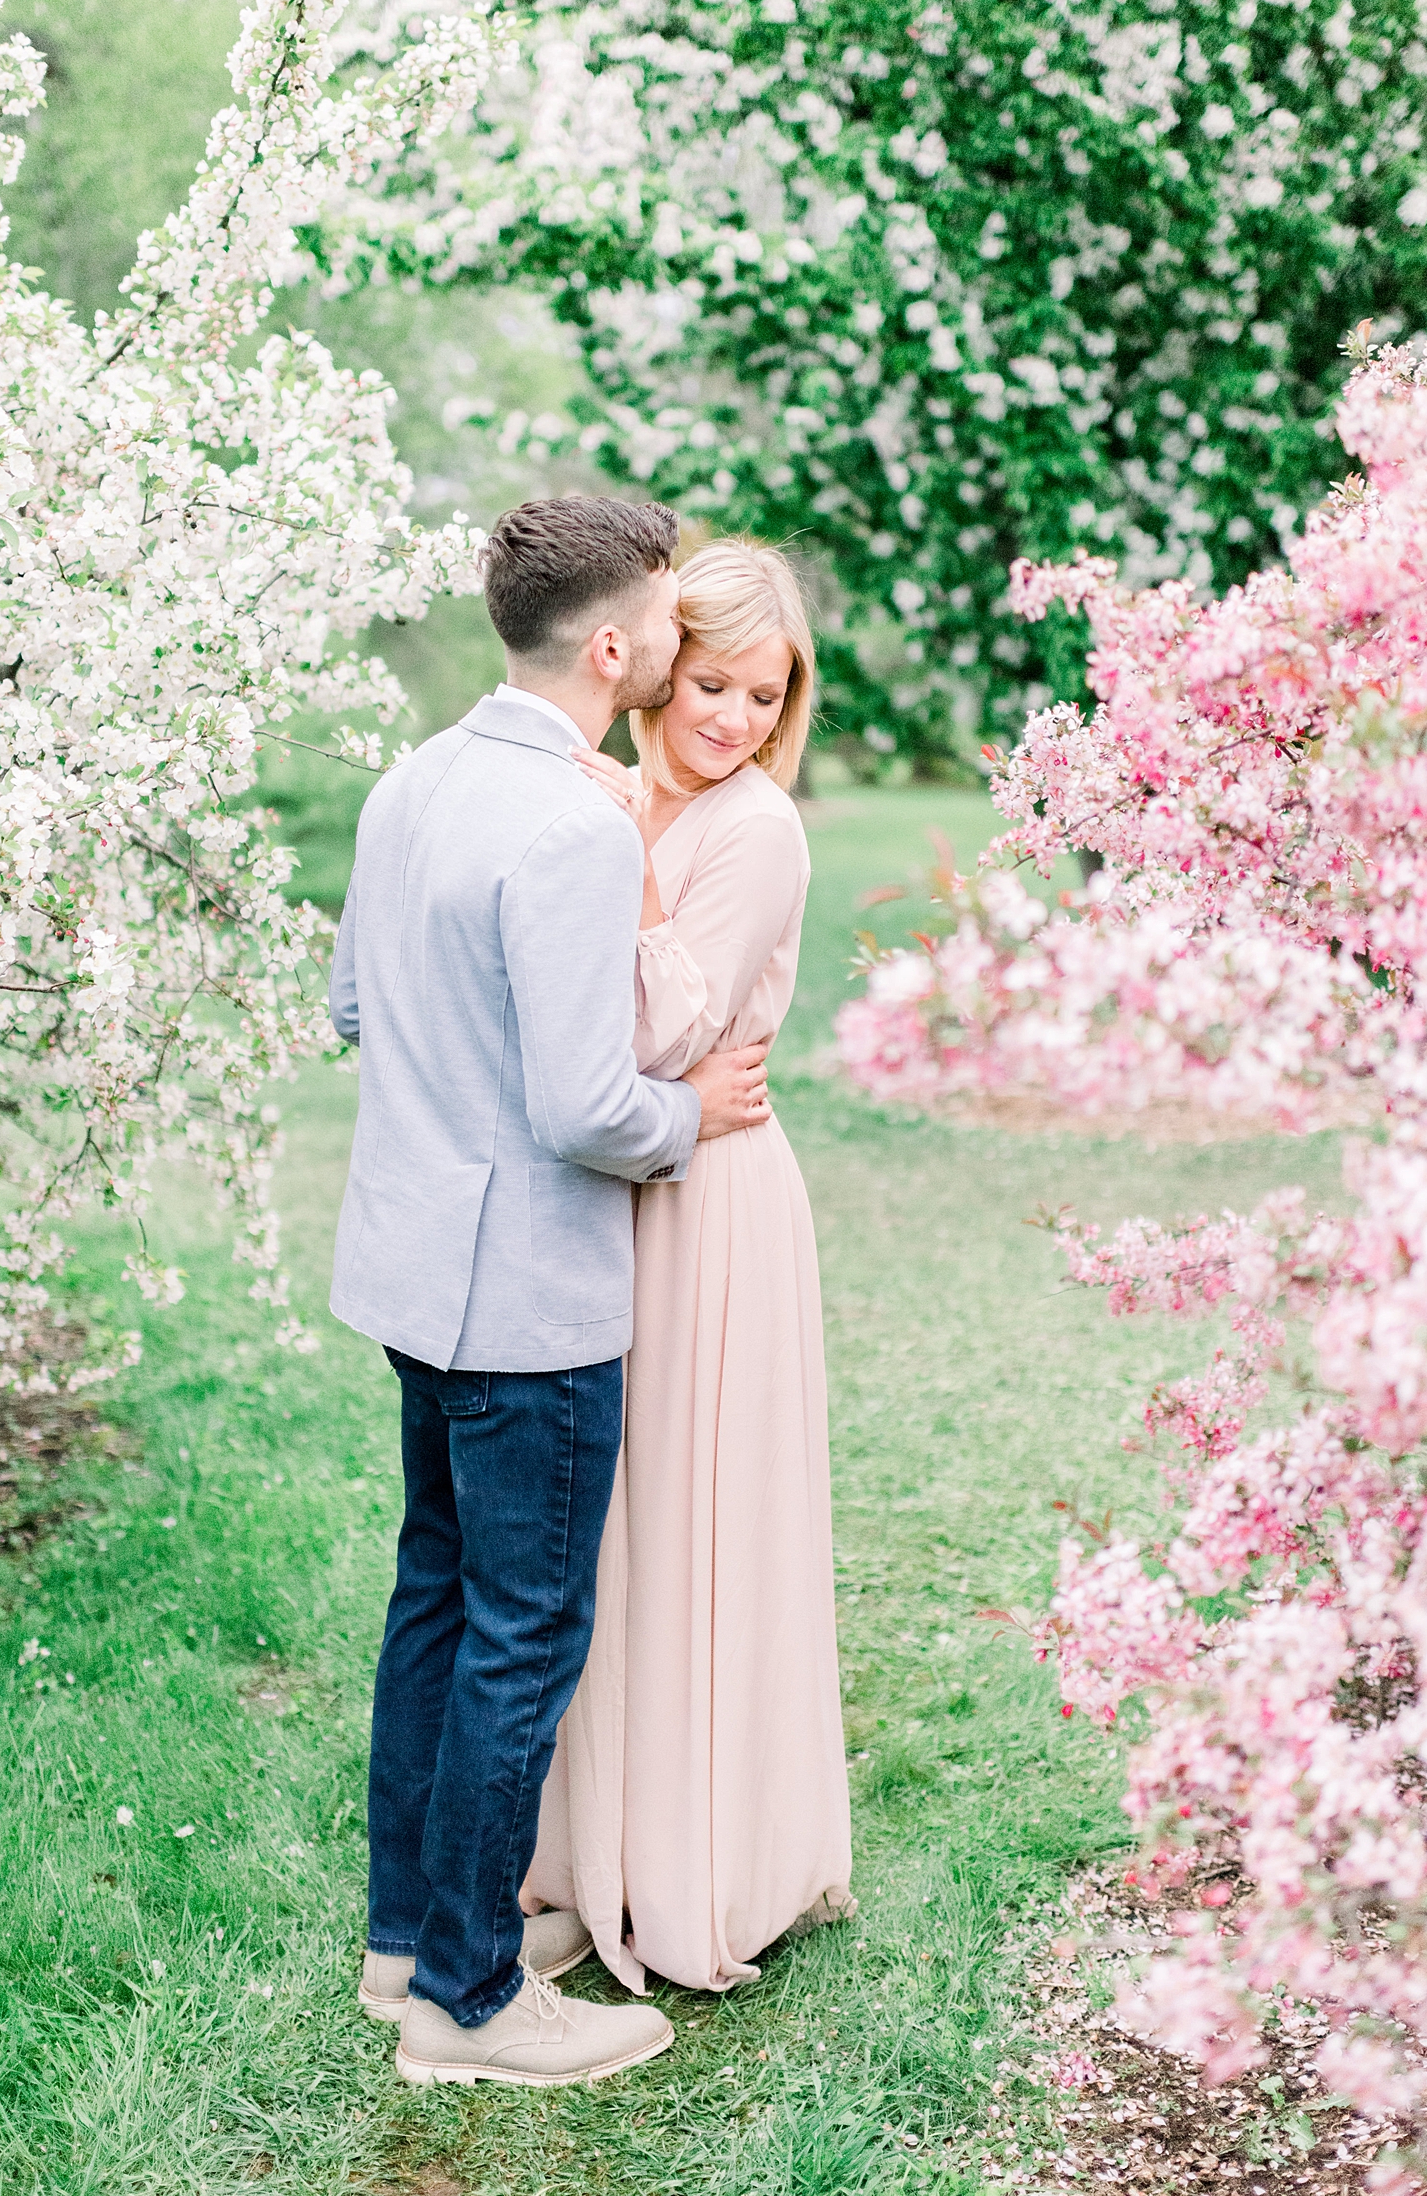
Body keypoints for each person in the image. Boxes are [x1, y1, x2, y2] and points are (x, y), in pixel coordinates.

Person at [327, 495, 773, 2090]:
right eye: (663, 618)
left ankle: (406, 1941)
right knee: (521, 1638)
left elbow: (356, 1004)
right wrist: (692, 1115)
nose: (678, 639)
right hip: (524, 1301)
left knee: (434, 1604)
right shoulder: (576, 827)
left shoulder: (412, 781)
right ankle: (469, 2004)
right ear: (611, 646)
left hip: (406, 1270)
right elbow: (592, 1105)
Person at [524, 539, 855, 1991]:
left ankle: (699, 1859)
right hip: (613, 1188)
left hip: (713, 1200)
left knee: (698, 1517)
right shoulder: (603, 787)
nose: (728, 718)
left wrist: (627, 865)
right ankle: (588, 1840)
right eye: (710, 682)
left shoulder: (754, 829)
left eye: (760, 694)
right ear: (660, 665)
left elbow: (666, 1035)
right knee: (609, 1527)